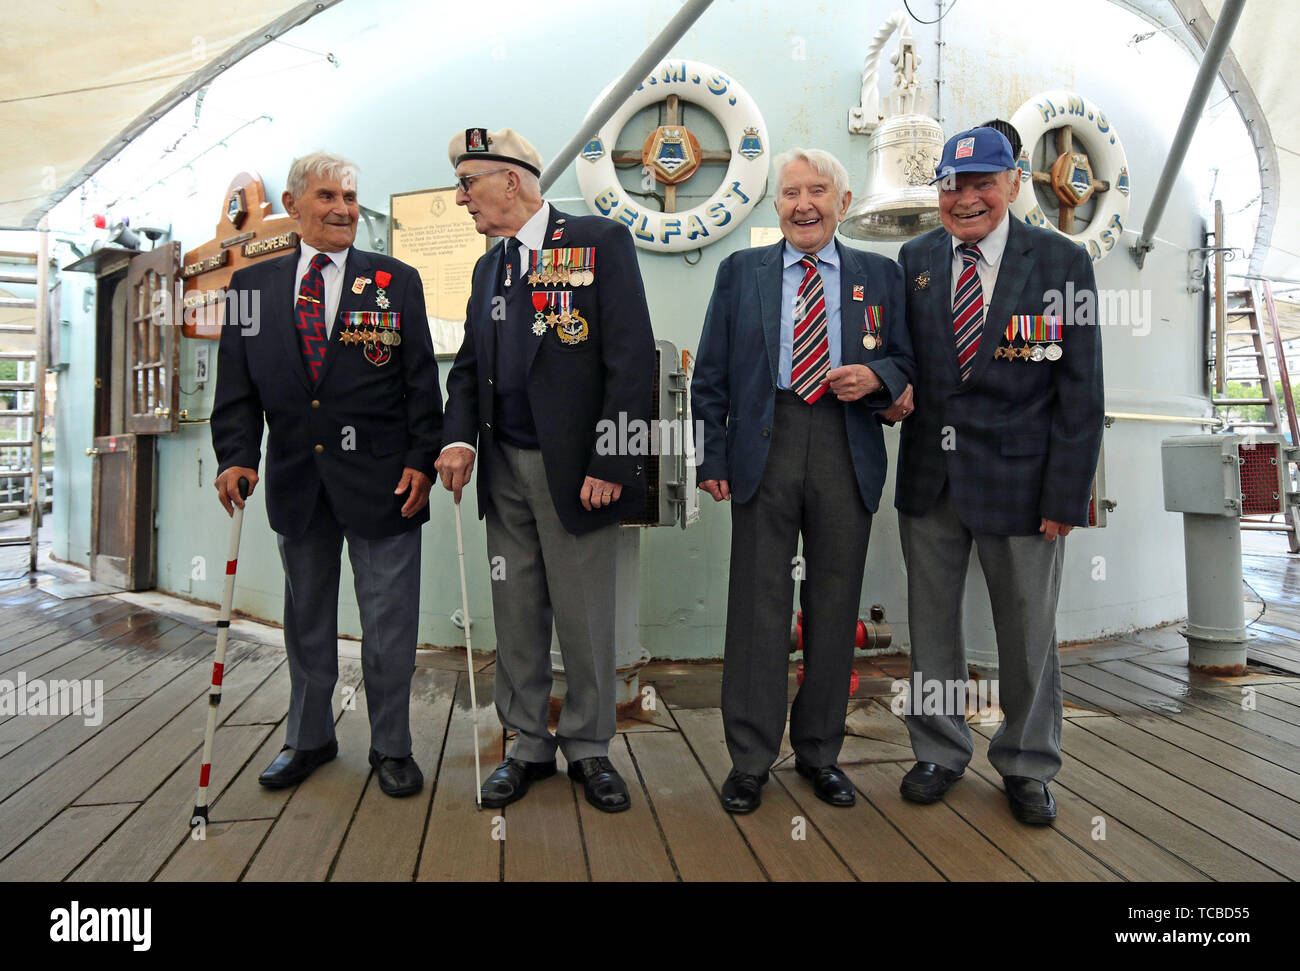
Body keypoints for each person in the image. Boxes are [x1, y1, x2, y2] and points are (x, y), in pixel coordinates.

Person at [435, 128, 655, 813]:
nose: (462, 196)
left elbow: (632, 358)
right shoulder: (489, 268)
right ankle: (526, 742)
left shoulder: (598, 241)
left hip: (578, 468)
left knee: (585, 615)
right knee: (517, 610)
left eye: (469, 181)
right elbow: (470, 368)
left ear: (513, 179)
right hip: (503, 469)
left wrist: (614, 458)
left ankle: (589, 746)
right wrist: (460, 440)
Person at [211, 152, 442, 798]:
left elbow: (422, 384)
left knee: (388, 624)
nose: (343, 208)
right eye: (328, 196)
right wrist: (236, 454)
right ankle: (309, 736)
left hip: (385, 484)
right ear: (293, 204)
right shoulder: (251, 289)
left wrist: (422, 459)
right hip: (296, 482)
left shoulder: (396, 282)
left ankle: (392, 745)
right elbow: (237, 390)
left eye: (350, 196)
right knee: (307, 619)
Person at [890, 127, 1104, 824]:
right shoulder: (915, 257)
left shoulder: (1063, 262)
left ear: (1014, 182)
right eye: (951, 184)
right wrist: (889, 386)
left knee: (1027, 631)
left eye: (982, 181)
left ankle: (1027, 762)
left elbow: (1082, 390)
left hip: (1024, 483)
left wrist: (1066, 494)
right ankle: (938, 749)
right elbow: (902, 356)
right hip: (930, 479)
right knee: (931, 629)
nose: (965, 197)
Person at [691, 148, 914, 814]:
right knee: (758, 609)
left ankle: (820, 752)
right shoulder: (740, 272)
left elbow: (906, 361)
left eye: (818, 191)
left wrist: (878, 379)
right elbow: (710, 378)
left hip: (846, 441)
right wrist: (711, 457)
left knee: (834, 604)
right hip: (766, 441)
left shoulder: (880, 275)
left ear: (843, 204)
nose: (803, 204)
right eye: (790, 193)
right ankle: (751, 759)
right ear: (777, 205)